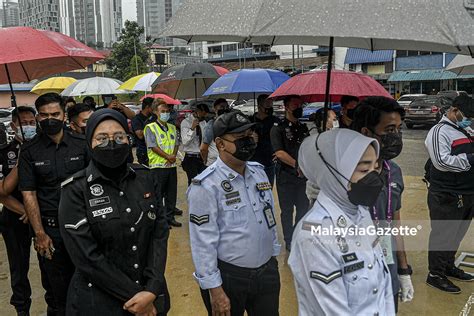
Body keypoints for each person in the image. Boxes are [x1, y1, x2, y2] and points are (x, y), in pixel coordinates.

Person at [58, 109, 170, 315]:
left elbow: (159, 234)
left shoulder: (145, 178)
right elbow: (86, 257)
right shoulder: (75, 189)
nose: (111, 143)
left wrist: (153, 288)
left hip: (150, 294)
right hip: (101, 302)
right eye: (101, 138)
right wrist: (139, 297)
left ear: (128, 140)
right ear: (89, 143)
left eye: (119, 137)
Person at [290, 128, 395, 315]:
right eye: (364, 169)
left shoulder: (361, 213)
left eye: (375, 167)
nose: (373, 177)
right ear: (334, 174)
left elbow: (383, 287)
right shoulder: (314, 236)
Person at [188, 111, 281, 316]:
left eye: (250, 135)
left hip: (266, 272)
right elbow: (202, 242)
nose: (249, 141)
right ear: (220, 144)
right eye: (240, 138)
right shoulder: (206, 185)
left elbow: (269, 216)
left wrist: (274, 256)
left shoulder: (258, 172)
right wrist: (214, 288)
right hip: (229, 277)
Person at [18, 93, 90, 316]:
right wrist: (39, 233)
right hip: (51, 230)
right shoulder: (30, 151)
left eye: (55, 114)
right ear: (38, 117)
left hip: (84, 226)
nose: (50, 119)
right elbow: (29, 193)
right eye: (45, 115)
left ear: (64, 115)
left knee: (90, 283)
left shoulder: (82, 144)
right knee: (57, 291)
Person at [351, 96, 414, 312]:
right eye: (389, 130)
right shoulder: (343, 175)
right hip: (356, 276)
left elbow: (395, 223)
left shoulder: (393, 171)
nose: (396, 136)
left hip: (388, 269)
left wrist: (403, 270)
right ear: (366, 132)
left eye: (398, 129)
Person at [424, 95, 474, 293]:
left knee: (457, 233)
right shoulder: (439, 132)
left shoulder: (465, 129)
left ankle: (448, 266)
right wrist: (471, 158)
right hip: (446, 194)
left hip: (466, 192)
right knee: (443, 235)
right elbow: (441, 162)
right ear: (454, 111)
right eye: (467, 116)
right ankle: (435, 274)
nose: (469, 120)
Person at [0, 106, 37, 316]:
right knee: (19, 267)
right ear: (14, 125)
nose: (29, 127)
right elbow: (2, 191)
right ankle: (22, 308)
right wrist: (26, 210)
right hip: (16, 217)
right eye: (25, 123)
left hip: (43, 217)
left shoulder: (44, 148)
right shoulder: (6, 151)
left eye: (32, 122)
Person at [270, 95, 309, 252]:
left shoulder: (304, 127)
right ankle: (289, 240)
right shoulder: (277, 128)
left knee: (303, 208)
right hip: (286, 176)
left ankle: (298, 235)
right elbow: (279, 153)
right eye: (295, 104)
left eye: (300, 104)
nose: (298, 107)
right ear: (286, 107)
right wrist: (297, 166)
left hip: (303, 177)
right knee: (287, 211)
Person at [144, 99, 181, 228]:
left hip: (171, 166)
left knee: (171, 193)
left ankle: (170, 217)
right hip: (158, 167)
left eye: (167, 111)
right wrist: (167, 156)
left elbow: (176, 143)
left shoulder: (172, 127)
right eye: (162, 111)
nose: (166, 113)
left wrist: (173, 156)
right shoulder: (150, 127)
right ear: (155, 112)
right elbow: (152, 146)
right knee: (158, 195)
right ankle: (161, 219)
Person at [250, 94, 280, 185]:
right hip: (252, 162)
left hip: (269, 162)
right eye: (267, 105)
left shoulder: (275, 121)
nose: (270, 107)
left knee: (267, 189)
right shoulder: (250, 121)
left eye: (271, 105)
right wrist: (251, 137)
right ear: (259, 106)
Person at [180, 103, 209, 185]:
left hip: (201, 157)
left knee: (203, 181)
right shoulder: (186, 122)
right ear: (197, 112)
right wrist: (192, 128)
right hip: (191, 157)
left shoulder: (203, 123)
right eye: (203, 114)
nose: (204, 116)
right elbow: (185, 142)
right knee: (193, 182)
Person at [201, 98, 229, 166]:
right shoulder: (211, 125)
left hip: (228, 164)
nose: (224, 109)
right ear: (214, 109)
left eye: (226, 107)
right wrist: (205, 161)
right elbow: (203, 149)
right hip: (214, 164)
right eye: (222, 107)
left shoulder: (230, 123)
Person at [131, 97, 154, 166]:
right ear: (147, 107)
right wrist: (149, 124)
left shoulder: (154, 117)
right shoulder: (137, 119)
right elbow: (140, 135)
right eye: (153, 107)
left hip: (154, 150)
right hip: (143, 151)